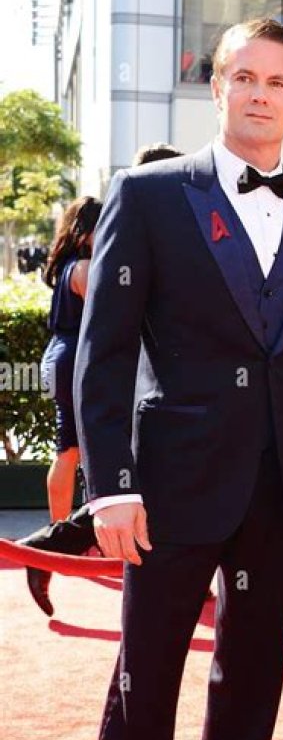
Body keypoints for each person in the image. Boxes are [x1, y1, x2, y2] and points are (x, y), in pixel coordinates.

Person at [73, 18, 283, 740]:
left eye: (278, 81)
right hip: (169, 488)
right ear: (216, 86)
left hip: (277, 487)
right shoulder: (148, 194)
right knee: (144, 685)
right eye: (245, 77)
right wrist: (112, 486)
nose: (261, 94)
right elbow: (104, 352)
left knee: (252, 680)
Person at [19, 144, 185, 618]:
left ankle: (58, 542)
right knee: (83, 455)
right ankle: (54, 542)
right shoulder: (115, 250)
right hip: (106, 368)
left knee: (156, 476)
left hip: (126, 370)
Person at [40, 196, 103, 522]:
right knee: (78, 450)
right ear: (84, 233)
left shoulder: (68, 268)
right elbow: (106, 317)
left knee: (68, 449)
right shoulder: (85, 268)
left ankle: (59, 527)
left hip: (59, 354)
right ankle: (68, 529)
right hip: (75, 360)